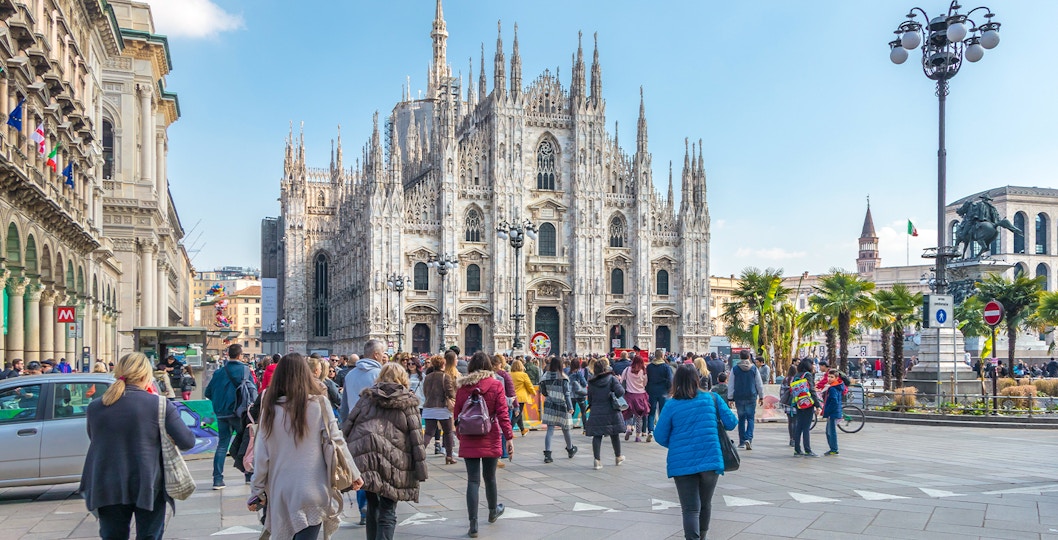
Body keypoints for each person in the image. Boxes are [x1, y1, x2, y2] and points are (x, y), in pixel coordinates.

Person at [80, 352, 195, 539]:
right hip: (148, 482)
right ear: (145, 375)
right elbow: (187, 442)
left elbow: (95, 438)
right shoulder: (159, 404)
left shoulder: (95, 406)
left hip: (106, 484)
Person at [250, 353, 363, 540]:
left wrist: (256, 490)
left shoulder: (269, 409)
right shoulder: (319, 404)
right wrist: (353, 473)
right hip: (314, 488)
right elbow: (336, 442)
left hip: (282, 492)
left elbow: (262, 455)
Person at [343, 363, 428, 540]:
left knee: (372, 505)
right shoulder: (408, 401)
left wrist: (343, 454)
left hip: (366, 456)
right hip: (394, 459)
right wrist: (421, 469)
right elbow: (416, 437)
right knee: (388, 509)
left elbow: (349, 423)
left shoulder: (367, 397)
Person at [654, 364, 738, 540]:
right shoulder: (712, 398)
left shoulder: (671, 405)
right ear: (697, 379)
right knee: (705, 504)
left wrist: (677, 444)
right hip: (710, 459)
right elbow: (731, 422)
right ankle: (703, 537)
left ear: (676, 381)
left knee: (690, 509)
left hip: (682, 463)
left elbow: (660, 435)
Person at [454, 351, 514, 538]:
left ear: (471, 367)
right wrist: (509, 438)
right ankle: (492, 511)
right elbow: (503, 414)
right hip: (490, 434)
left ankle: (473, 525)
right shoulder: (496, 385)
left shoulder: (463, 387)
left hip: (469, 436)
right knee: (490, 477)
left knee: (473, 480)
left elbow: (456, 416)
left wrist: (461, 435)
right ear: (489, 366)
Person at [340, 339, 386, 525]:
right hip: (377, 428)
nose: (384, 356)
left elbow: (344, 406)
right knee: (378, 467)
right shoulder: (380, 374)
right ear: (376, 355)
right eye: (383, 353)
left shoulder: (350, 375)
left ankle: (364, 507)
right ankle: (376, 503)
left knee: (360, 469)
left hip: (356, 429)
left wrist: (345, 428)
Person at [204, 343, 256, 489]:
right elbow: (253, 391)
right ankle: (248, 474)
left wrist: (220, 404)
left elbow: (208, 392)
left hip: (221, 414)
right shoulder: (245, 370)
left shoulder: (218, 372)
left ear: (228, 355)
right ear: (240, 355)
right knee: (245, 443)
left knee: (222, 445)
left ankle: (217, 479)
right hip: (240, 414)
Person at [585, 358, 625, 470]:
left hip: (596, 410)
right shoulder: (611, 379)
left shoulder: (591, 382)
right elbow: (621, 392)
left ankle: (597, 460)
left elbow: (590, 399)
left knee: (597, 435)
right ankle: (618, 457)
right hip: (611, 410)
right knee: (614, 433)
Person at [538, 356, 577, 463]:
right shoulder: (563, 377)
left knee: (550, 429)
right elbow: (567, 393)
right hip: (562, 404)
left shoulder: (545, 376)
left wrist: (550, 395)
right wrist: (570, 407)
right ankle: (570, 449)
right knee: (565, 428)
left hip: (549, 404)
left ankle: (547, 454)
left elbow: (543, 391)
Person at [422, 355, 457, 464]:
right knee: (448, 432)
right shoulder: (445, 376)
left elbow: (425, 391)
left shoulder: (427, 377)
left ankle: (419, 454)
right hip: (442, 408)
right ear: (443, 364)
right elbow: (450, 392)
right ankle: (449, 456)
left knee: (428, 433)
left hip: (429, 407)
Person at [727, 350, 764, 450]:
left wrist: (730, 398)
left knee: (741, 419)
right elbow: (759, 384)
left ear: (740, 357)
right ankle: (749, 438)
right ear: (749, 357)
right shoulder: (754, 369)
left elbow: (731, 384)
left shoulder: (735, 369)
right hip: (751, 396)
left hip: (739, 397)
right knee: (750, 418)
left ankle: (742, 441)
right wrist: (761, 397)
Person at [789, 358, 823, 457]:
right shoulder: (807, 375)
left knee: (799, 426)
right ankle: (808, 450)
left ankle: (797, 450)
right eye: (812, 364)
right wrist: (818, 405)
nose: (814, 366)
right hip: (807, 404)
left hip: (798, 403)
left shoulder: (797, 375)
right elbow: (812, 391)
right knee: (806, 427)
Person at [619, 354, 650, 442]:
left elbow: (621, 381)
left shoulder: (627, 369)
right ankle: (638, 436)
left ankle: (629, 428)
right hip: (640, 395)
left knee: (628, 413)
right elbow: (645, 383)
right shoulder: (643, 371)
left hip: (629, 394)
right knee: (639, 416)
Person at [645, 349, 673, 443]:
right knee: (662, 412)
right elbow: (670, 380)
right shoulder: (666, 367)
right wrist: (670, 390)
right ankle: (662, 431)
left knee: (651, 411)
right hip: (663, 391)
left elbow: (647, 379)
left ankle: (650, 430)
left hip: (652, 390)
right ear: (662, 356)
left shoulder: (649, 367)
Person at [822, 369, 846, 456]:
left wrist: (828, 410)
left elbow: (834, 401)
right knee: (829, 431)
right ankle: (833, 448)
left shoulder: (833, 388)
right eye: (828, 376)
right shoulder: (835, 386)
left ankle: (834, 449)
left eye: (832, 377)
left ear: (836, 378)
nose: (829, 378)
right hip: (834, 412)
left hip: (832, 413)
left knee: (831, 432)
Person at [509, 359, 536, 437]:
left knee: (518, 414)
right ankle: (509, 431)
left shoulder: (509, 374)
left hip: (511, 397)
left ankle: (523, 430)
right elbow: (529, 385)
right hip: (520, 398)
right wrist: (533, 392)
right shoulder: (523, 375)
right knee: (517, 415)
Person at [778, 365, 799, 447]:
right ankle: (795, 438)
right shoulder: (797, 380)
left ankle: (791, 439)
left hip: (787, 404)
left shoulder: (785, 380)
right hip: (795, 404)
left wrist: (783, 401)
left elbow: (781, 393)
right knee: (796, 421)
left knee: (790, 422)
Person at [568, 357, 589, 430]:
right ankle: (585, 427)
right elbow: (584, 383)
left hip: (571, 395)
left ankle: (568, 426)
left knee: (571, 411)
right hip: (580, 394)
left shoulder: (568, 373)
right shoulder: (578, 373)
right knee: (583, 412)